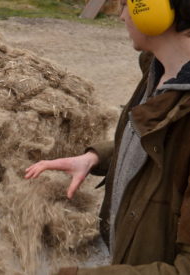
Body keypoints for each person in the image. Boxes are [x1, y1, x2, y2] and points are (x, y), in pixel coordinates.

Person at [26, 0, 190, 274]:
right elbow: (159, 150)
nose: (122, 15)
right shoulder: (159, 69)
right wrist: (95, 157)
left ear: (156, 11)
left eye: (128, 4)